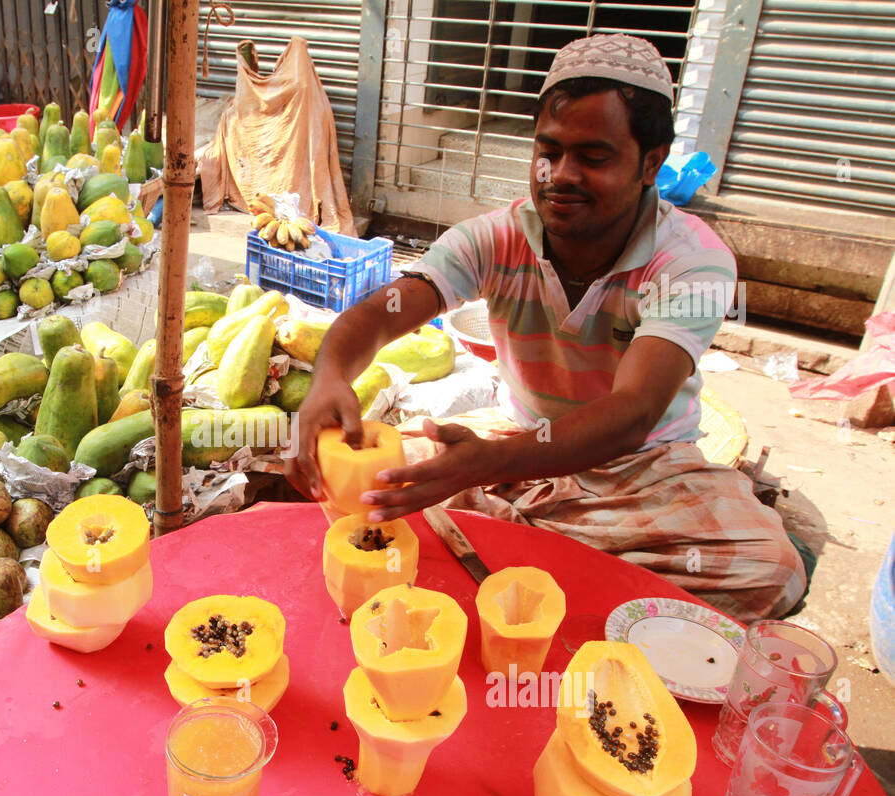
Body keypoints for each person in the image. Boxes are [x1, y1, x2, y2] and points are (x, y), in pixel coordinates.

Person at [287, 34, 806, 623]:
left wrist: (487, 466)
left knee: (771, 569)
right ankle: (551, 575)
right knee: (351, 490)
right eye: (549, 150)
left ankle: (512, 569)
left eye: (593, 156)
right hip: (514, 432)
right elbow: (381, 312)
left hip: (642, 465)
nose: (560, 175)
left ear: (651, 164)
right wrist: (331, 373)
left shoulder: (693, 260)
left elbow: (634, 411)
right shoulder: (496, 236)